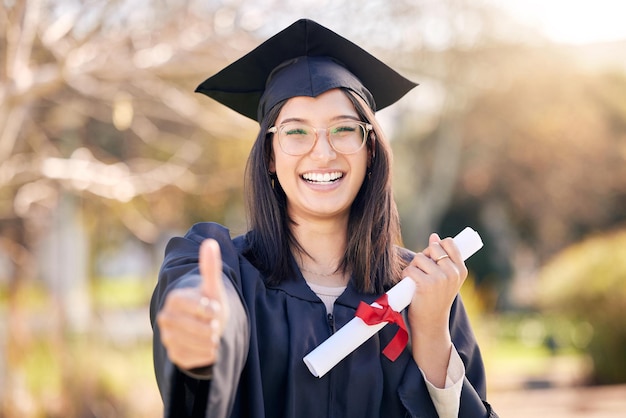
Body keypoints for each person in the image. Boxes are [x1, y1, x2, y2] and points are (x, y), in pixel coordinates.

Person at [150, 19, 498, 418]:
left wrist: (433, 335)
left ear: (370, 151)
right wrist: (202, 327)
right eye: (296, 132)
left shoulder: (423, 290)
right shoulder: (228, 271)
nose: (322, 153)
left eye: (344, 129)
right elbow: (199, 297)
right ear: (269, 155)